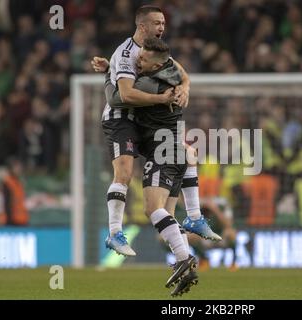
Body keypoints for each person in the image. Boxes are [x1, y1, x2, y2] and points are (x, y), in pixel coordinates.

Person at [91, 5, 220, 257]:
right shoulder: (127, 53)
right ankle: (115, 233)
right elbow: (124, 96)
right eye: (157, 23)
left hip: (143, 122)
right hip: (121, 119)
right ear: (142, 26)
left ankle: (194, 219)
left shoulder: (155, 52)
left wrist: (185, 88)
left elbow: (183, 74)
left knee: (186, 153)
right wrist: (161, 99)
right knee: (125, 172)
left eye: (163, 23)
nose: (162, 27)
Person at [105, 37, 198, 297]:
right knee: (162, 213)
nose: (138, 60)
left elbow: (120, 96)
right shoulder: (169, 75)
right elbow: (179, 70)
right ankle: (187, 243)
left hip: (162, 150)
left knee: (152, 208)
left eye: (144, 59)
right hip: (172, 150)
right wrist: (187, 84)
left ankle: (184, 256)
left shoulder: (148, 83)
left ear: (156, 67)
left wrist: (108, 74)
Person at [0, 157, 29, 226]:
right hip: (11, 222)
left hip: (21, 220)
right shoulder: (7, 183)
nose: (19, 169)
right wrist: (9, 222)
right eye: (16, 167)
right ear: (10, 169)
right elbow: (7, 204)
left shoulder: (18, 182)